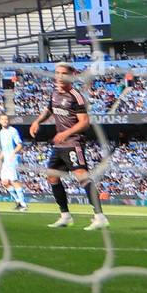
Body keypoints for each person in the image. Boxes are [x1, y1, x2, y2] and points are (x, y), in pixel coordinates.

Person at [29, 63, 108, 231]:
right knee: (52, 177)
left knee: (82, 176)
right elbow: (49, 110)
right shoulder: (55, 93)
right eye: (57, 73)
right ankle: (65, 216)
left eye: (63, 73)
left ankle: (99, 217)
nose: (59, 76)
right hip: (59, 145)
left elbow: (85, 123)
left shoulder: (76, 97)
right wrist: (37, 121)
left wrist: (66, 133)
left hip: (73, 143)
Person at [0, 114, 28, 211]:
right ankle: (18, 202)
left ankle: (23, 204)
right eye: (3, 119)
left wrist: (13, 153)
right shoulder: (1, 132)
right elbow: (4, 149)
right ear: (0, 121)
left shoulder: (13, 131)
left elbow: (19, 145)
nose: (5, 121)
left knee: (14, 181)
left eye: (6, 119)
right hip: (6, 160)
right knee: (4, 182)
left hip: (13, 159)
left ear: (9, 121)